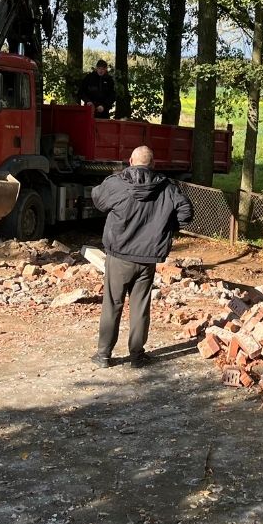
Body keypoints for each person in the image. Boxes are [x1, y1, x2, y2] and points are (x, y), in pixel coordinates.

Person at [91, 146, 193, 368]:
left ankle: (103, 355)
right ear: (153, 163)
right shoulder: (167, 187)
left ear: (130, 161)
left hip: (118, 256)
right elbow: (187, 212)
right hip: (147, 259)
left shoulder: (116, 184)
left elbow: (97, 201)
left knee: (112, 304)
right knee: (140, 306)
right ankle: (137, 356)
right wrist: (166, 227)